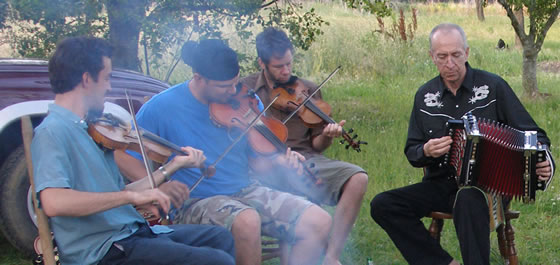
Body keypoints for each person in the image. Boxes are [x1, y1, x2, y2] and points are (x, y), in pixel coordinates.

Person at [115, 39, 332, 265]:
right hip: (193, 201)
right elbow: (123, 154)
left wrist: (279, 162)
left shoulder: (245, 100)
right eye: (223, 87)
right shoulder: (161, 107)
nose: (232, 91)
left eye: (235, 82)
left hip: (245, 190)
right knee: (247, 221)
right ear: (199, 78)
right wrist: (159, 185)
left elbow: (258, 164)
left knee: (318, 220)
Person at [32, 36, 236, 265]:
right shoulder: (53, 131)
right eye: (107, 78)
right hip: (105, 249)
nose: (109, 87)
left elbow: (114, 193)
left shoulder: (88, 128)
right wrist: (131, 196)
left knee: (220, 238)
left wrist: (171, 167)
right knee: (216, 260)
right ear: (87, 79)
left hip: (130, 233)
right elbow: (54, 202)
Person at [370, 23, 555, 265]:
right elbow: (412, 151)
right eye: (442, 56)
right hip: (440, 184)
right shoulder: (425, 97)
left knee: (467, 197)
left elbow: (534, 133)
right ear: (432, 57)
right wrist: (426, 150)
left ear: (466, 53)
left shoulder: (493, 88)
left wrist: (543, 160)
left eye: (456, 55)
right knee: (383, 205)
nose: (450, 63)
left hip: (488, 189)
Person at [240, 27, 369, 265]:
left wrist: (328, 135)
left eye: (289, 63)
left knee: (358, 178)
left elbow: (317, 146)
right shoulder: (244, 90)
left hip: (305, 159)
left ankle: (332, 256)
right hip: (262, 165)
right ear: (262, 63)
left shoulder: (307, 89)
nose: (286, 71)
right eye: (279, 66)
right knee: (290, 186)